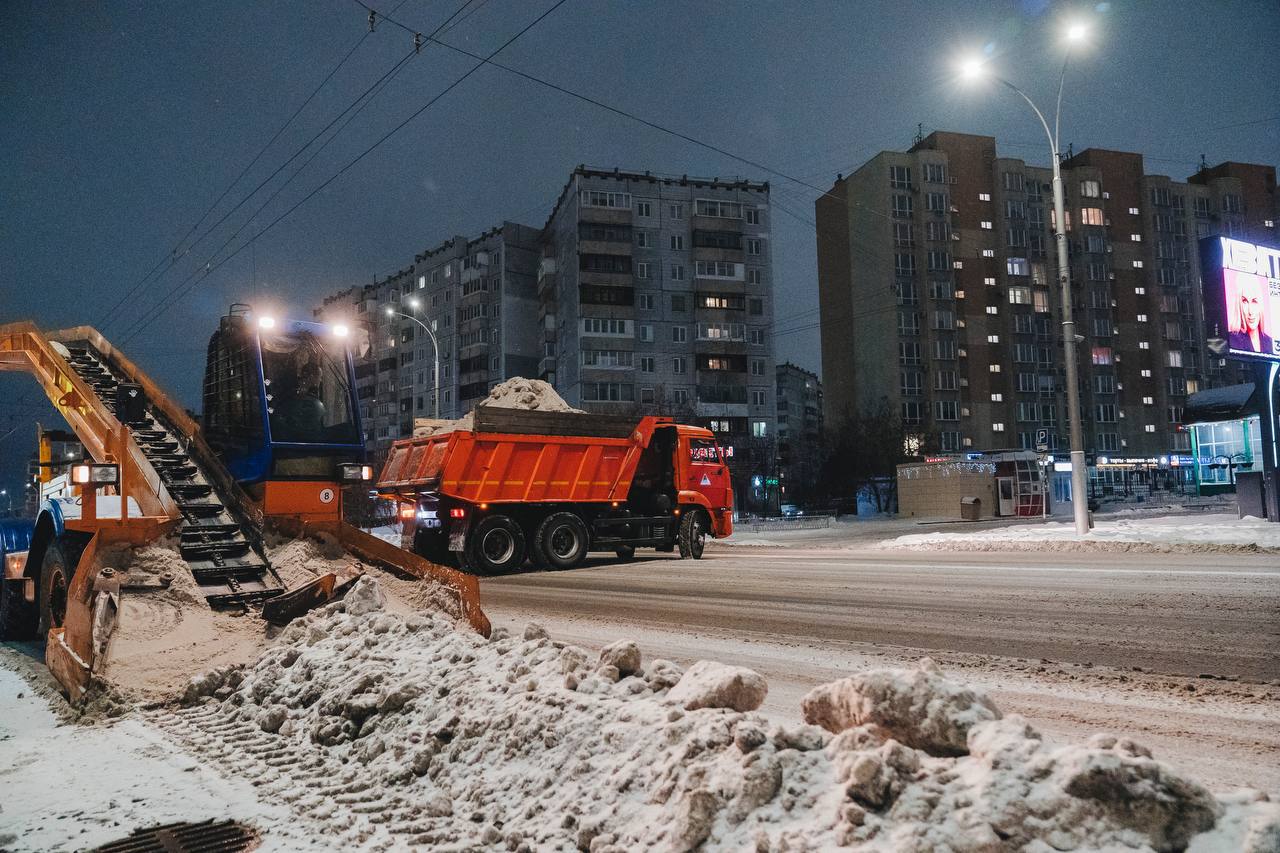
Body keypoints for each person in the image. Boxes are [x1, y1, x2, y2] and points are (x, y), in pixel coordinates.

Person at [1230, 273, 1275, 356]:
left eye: (1254, 301)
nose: (1250, 311)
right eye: (1245, 301)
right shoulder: (1232, 340)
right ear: (1239, 304)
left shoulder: (1270, 343)